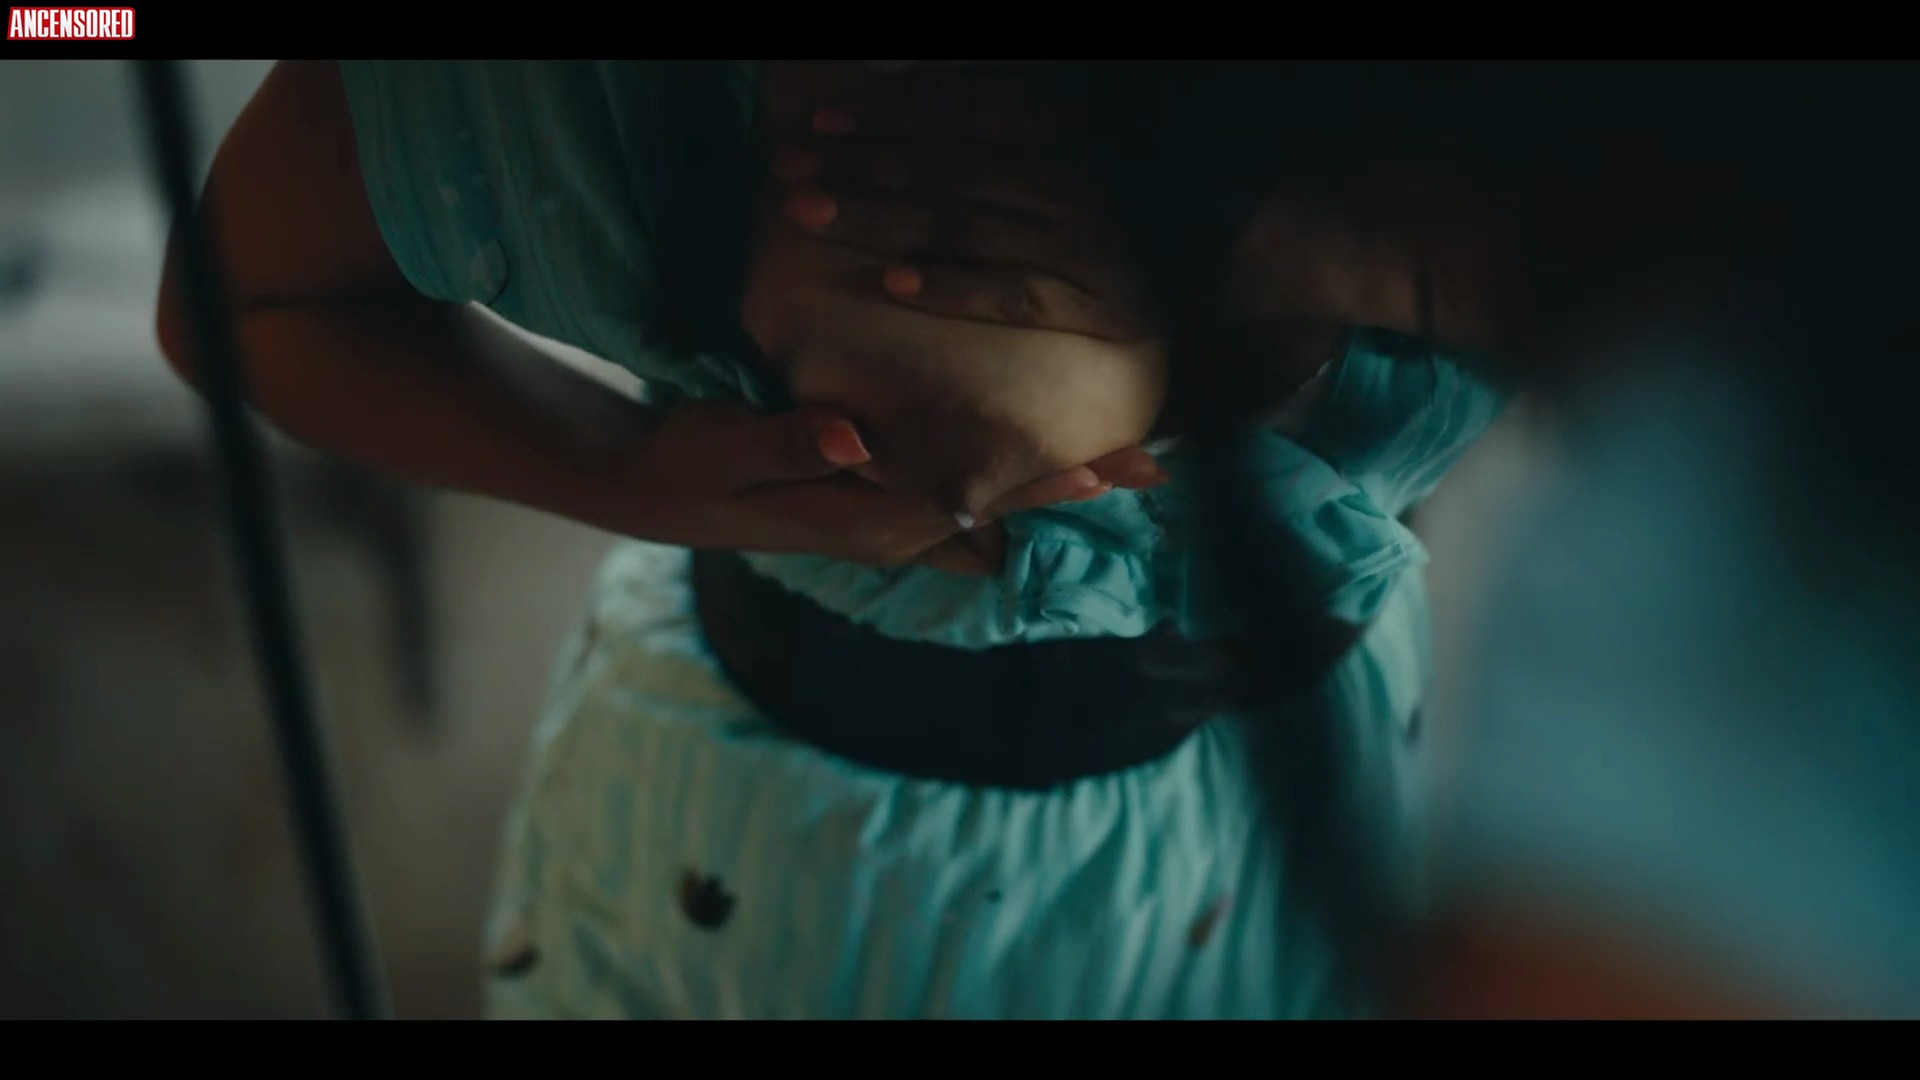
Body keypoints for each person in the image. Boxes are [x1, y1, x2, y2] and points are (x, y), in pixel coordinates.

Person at [155, 60, 1508, 1019]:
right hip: (776, 881)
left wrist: (1297, 249)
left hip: (1308, 814)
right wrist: (620, 471)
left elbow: (1656, 299)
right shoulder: (548, 91)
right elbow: (239, 304)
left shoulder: (1534, 131)